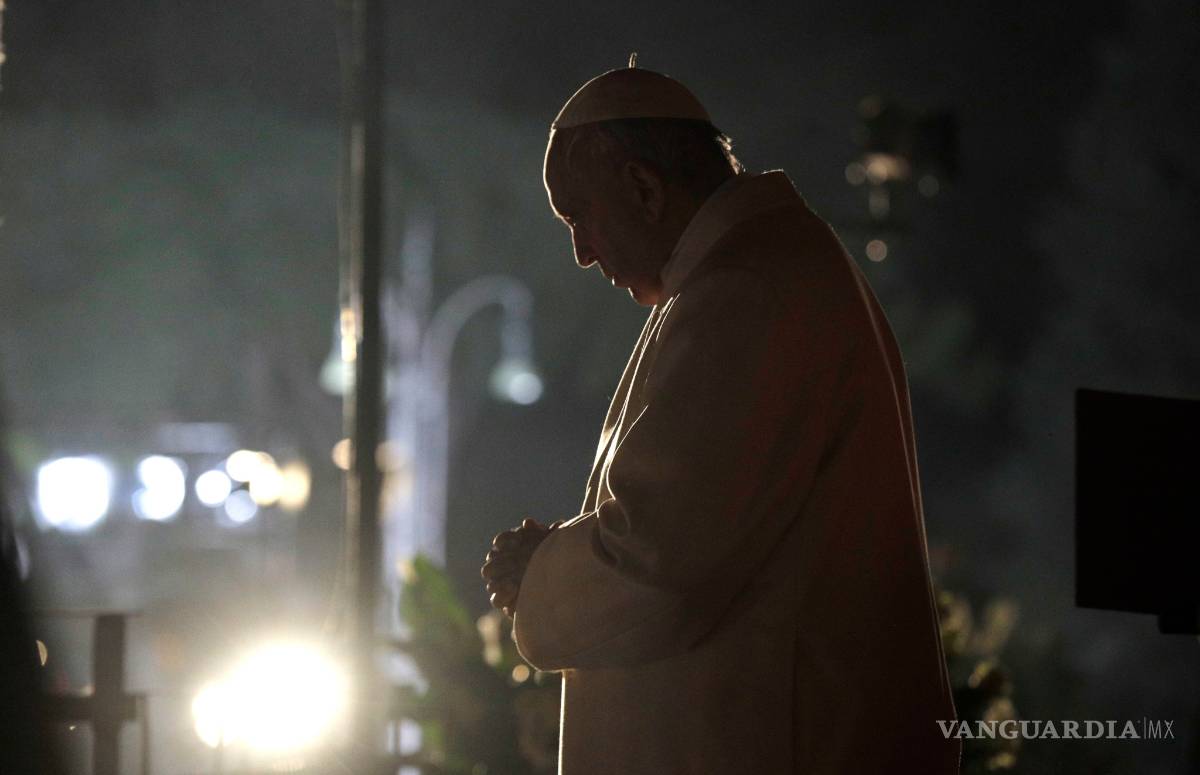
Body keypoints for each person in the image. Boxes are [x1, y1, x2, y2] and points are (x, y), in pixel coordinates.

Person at [482, 61, 960, 774]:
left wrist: (538, 572)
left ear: (643, 187)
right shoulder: (760, 268)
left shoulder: (744, 292)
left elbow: (660, 569)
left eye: (580, 216)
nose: (581, 253)